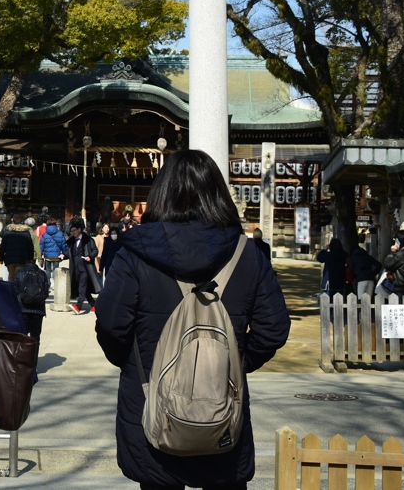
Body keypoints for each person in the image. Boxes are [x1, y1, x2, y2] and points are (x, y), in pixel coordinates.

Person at [95, 149, 291, 490]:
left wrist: (136, 365)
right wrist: (233, 365)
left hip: (150, 400)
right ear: (219, 194)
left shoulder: (134, 255)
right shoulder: (248, 256)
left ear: (161, 193)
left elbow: (111, 325)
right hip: (221, 406)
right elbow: (273, 329)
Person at [13, 259, 50, 354]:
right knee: (35, 337)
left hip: (22, 309)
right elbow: (45, 292)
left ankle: (22, 361)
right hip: (38, 310)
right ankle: (33, 364)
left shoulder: (19, 273)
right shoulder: (42, 274)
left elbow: (15, 292)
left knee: (22, 337)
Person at [67, 217, 99, 314]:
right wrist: (63, 255)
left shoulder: (88, 240)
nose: (73, 233)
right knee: (84, 288)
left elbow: (95, 251)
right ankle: (94, 304)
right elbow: (69, 253)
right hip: (75, 268)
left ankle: (78, 306)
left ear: (79, 229)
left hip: (85, 267)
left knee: (82, 287)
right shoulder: (72, 241)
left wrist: (90, 256)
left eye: (74, 230)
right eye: (72, 231)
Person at [381, 229, 404, 297]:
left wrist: (392, 252)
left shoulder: (400, 255)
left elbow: (387, 264)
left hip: (400, 289)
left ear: (397, 242)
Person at [0, 213, 35, 280]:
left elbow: (3, 246)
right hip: (22, 258)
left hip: (10, 258)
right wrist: (30, 258)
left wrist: (1, 258)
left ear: (13, 220)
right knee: (20, 277)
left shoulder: (7, 232)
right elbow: (30, 246)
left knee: (11, 276)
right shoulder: (26, 233)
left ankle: (10, 289)